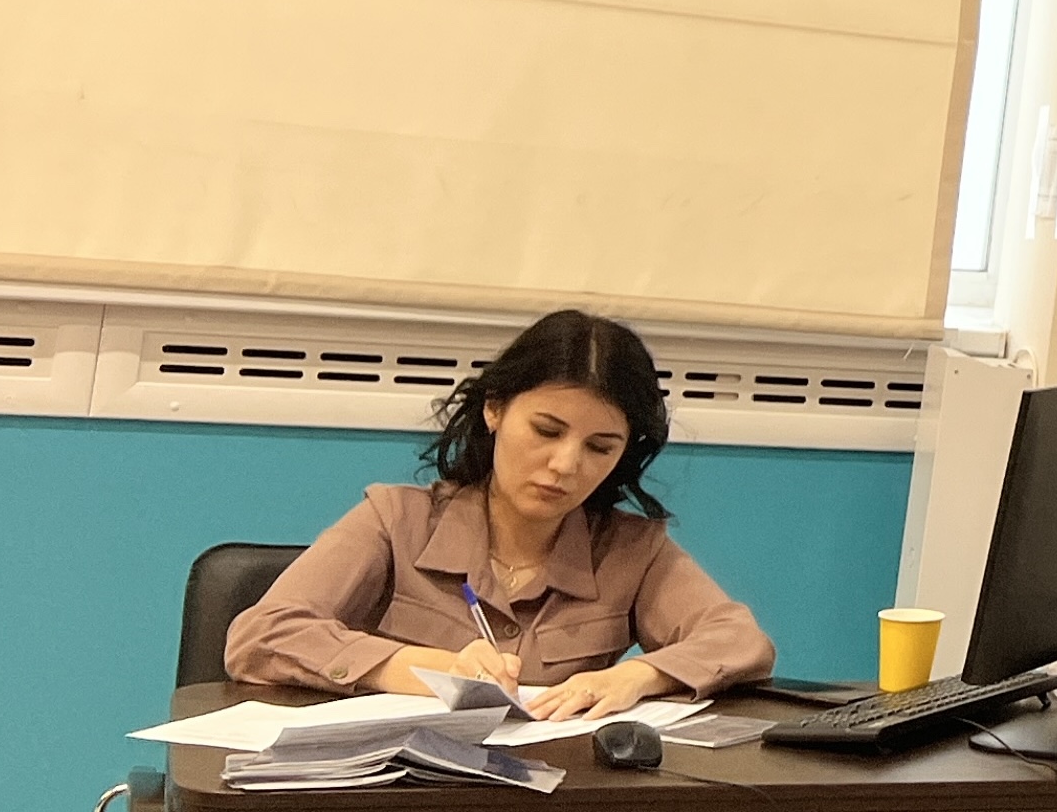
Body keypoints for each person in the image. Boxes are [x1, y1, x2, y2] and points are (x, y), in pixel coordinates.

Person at [227, 308, 773, 719]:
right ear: (494, 409)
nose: (565, 465)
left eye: (599, 447)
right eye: (546, 431)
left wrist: (636, 676)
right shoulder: (395, 520)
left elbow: (740, 641)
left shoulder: (631, 549)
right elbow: (261, 637)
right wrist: (436, 670)